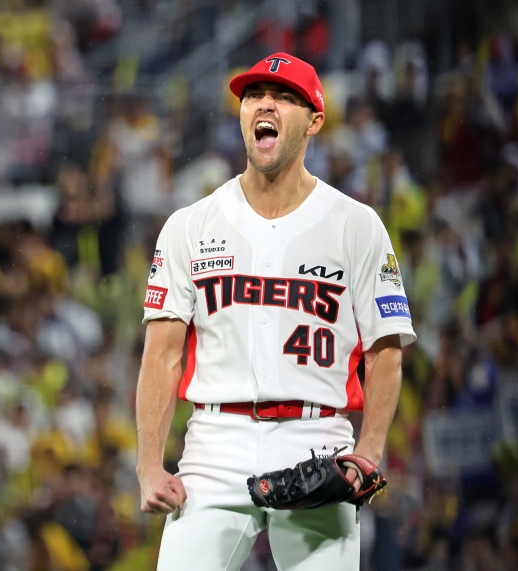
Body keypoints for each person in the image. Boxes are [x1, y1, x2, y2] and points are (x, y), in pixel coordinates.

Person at [135, 52, 417, 570]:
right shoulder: (189, 225)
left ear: (314, 120)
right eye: (254, 96)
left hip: (317, 442)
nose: (265, 104)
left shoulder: (357, 225)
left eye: (284, 96)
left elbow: (385, 351)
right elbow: (161, 355)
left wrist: (369, 453)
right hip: (214, 444)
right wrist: (149, 465)